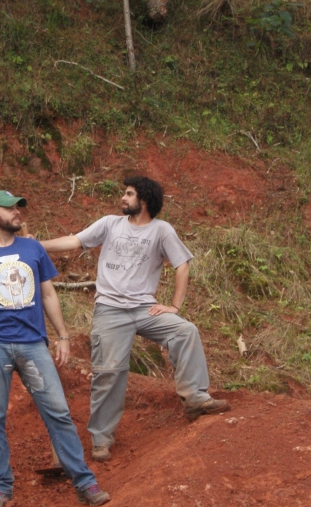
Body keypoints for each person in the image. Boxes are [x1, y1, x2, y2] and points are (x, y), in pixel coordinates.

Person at [40, 176, 229, 462]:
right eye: (124, 193)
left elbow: (182, 265)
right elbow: (76, 241)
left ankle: (195, 398)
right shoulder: (109, 224)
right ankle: (101, 439)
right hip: (110, 310)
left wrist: (175, 307)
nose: (123, 198)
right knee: (109, 373)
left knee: (185, 331)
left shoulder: (162, 231)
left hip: (145, 309)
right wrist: (39, 245)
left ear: (144, 199)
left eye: (129, 194)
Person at [0, 190, 110, 507]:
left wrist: (63, 335)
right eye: (9, 209)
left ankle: (84, 482)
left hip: (34, 344)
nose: (17, 212)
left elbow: (48, 294)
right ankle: (0, 487)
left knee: (59, 413)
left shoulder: (33, 249)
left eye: (18, 207)